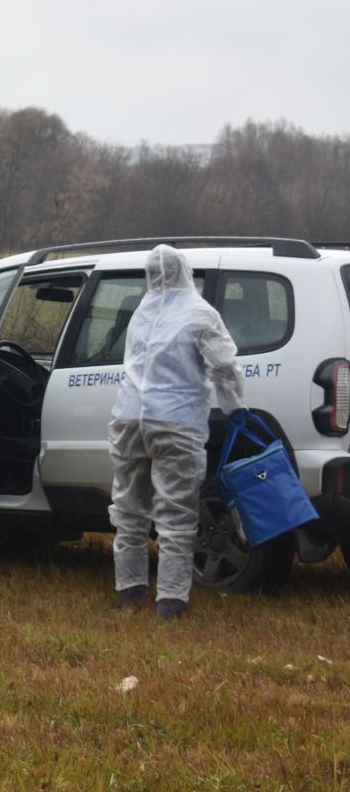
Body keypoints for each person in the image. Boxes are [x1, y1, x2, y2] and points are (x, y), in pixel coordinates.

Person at [108, 244, 245, 619]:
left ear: (150, 273)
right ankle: (169, 602)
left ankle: (130, 591)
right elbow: (224, 367)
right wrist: (235, 408)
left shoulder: (142, 311)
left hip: (129, 420)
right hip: (176, 422)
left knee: (129, 509)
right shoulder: (200, 312)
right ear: (186, 271)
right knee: (176, 514)